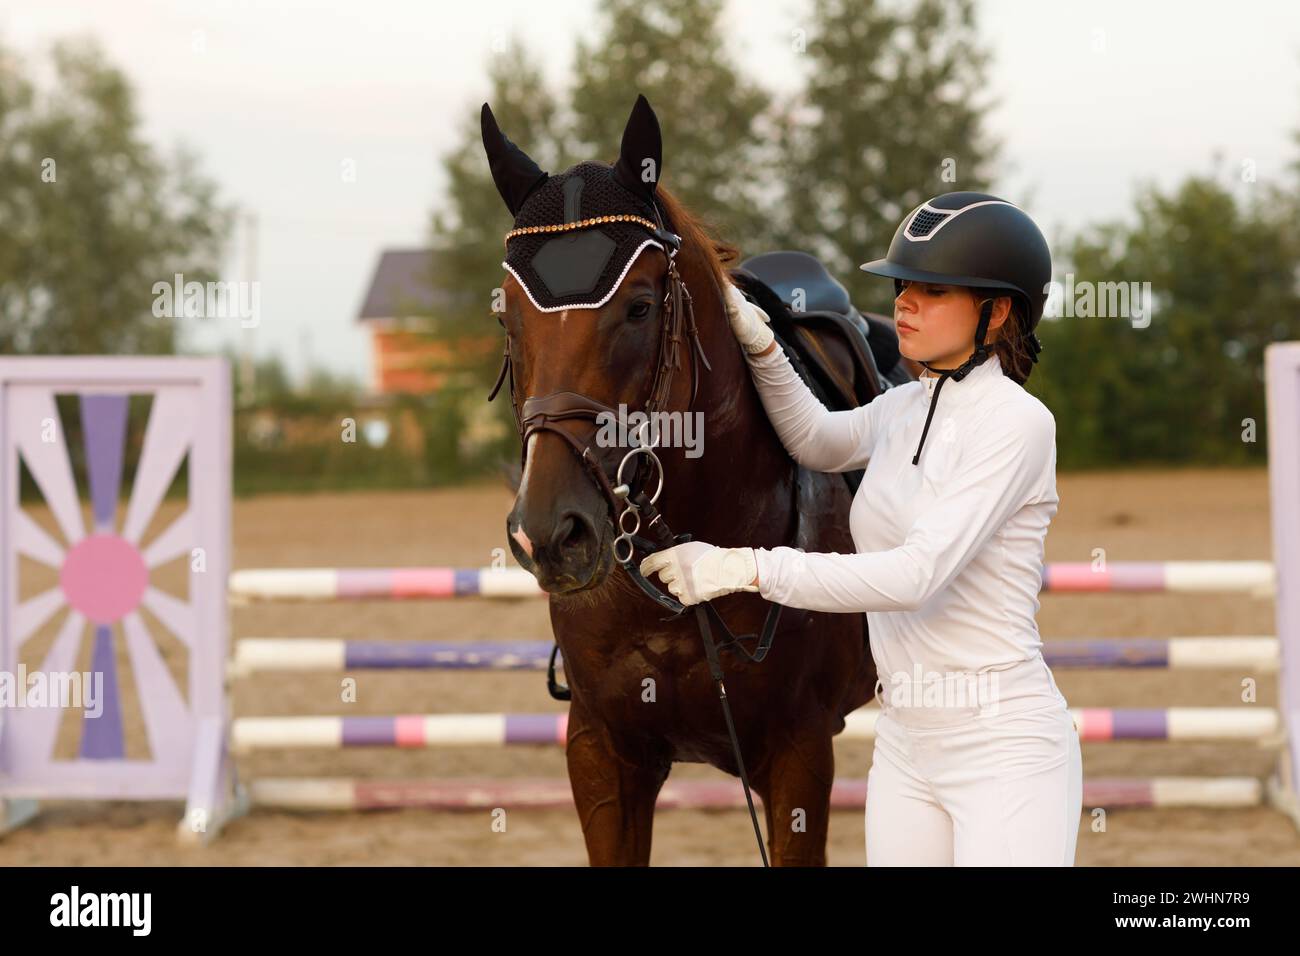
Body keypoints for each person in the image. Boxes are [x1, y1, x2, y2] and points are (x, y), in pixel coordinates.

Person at [640, 192, 1082, 866]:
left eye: (933, 291)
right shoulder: (904, 405)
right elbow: (816, 440)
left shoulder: (1018, 423)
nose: (904, 302)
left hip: (1003, 746)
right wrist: (758, 340)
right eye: (904, 286)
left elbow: (914, 576)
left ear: (996, 314)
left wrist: (739, 568)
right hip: (905, 744)